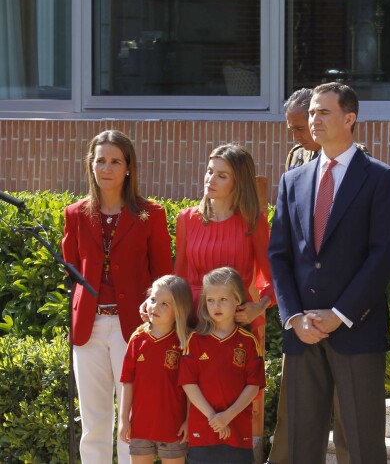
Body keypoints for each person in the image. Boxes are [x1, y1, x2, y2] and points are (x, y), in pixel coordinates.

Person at [269, 82, 390, 464]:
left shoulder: (379, 178)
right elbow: (279, 255)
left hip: (356, 330)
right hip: (302, 334)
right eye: (311, 112)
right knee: (299, 443)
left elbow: (381, 257)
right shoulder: (292, 181)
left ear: (349, 118)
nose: (314, 120)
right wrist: (293, 317)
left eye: (323, 112)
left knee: (360, 444)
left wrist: (339, 315)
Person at [62, 130, 173, 464]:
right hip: (89, 329)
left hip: (137, 328)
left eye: (115, 161)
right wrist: (73, 319)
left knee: (133, 423)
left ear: (128, 168)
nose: (106, 168)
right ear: (91, 166)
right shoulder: (75, 214)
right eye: (100, 161)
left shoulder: (151, 214)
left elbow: (164, 276)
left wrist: (161, 327)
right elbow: (70, 274)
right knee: (94, 424)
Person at [173, 143, 275, 441]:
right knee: (186, 411)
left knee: (233, 414)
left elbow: (270, 277)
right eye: (209, 171)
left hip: (235, 325)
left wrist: (260, 305)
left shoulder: (253, 221)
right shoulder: (186, 219)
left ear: (238, 182)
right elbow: (177, 276)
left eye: (221, 175)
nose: (210, 180)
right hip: (193, 323)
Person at [179, 267, 266, 464]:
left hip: (237, 432)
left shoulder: (249, 342)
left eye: (223, 300)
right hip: (202, 432)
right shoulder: (195, 340)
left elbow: (254, 386)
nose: (216, 305)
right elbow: (188, 383)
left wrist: (227, 416)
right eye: (210, 300)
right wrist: (213, 417)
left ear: (237, 300)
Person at [119, 275, 194, 463]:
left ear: (179, 310)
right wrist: (123, 419)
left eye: (164, 304)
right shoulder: (137, 339)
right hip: (140, 427)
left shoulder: (186, 342)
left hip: (174, 427)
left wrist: (189, 419)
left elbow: (192, 387)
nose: (155, 307)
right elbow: (127, 381)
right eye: (153, 300)